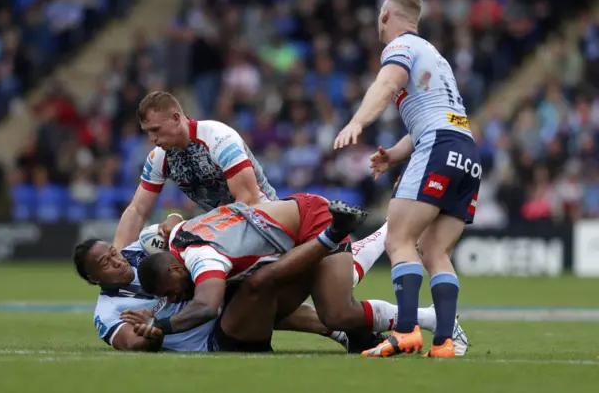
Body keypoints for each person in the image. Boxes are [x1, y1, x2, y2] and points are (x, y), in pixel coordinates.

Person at [334, 0, 480, 359]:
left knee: (398, 237)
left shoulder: (400, 47)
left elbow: (387, 85)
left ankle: (405, 331)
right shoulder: (437, 57)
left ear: (385, 17)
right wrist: (395, 156)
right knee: (435, 250)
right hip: (466, 152)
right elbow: (430, 118)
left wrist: (357, 121)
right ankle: (445, 342)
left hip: (439, 147)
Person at [129, 195, 467, 354]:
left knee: (337, 311)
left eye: (170, 291)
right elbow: (171, 222)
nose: (172, 298)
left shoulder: (201, 256)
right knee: (262, 297)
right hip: (288, 227)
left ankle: (436, 319)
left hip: (308, 222)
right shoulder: (178, 236)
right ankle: (387, 227)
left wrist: (160, 324)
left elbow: (206, 305)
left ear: (175, 266)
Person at [113, 91, 384, 288]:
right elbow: (137, 210)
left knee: (327, 285)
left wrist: (191, 230)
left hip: (266, 221)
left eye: (156, 130)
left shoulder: (218, 137)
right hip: (226, 231)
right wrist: (119, 259)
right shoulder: (159, 157)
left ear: (175, 118)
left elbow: (248, 200)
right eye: (148, 132)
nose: (152, 139)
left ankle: (382, 235)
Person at [74, 238, 352, 352]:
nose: (117, 260)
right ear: (93, 278)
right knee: (260, 284)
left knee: (250, 278)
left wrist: (172, 222)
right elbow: (132, 343)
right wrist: (149, 329)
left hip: (217, 307)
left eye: (113, 251)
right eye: (105, 263)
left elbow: (170, 228)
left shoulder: (138, 250)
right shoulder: (107, 311)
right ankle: (332, 245)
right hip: (214, 339)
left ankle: (344, 328)